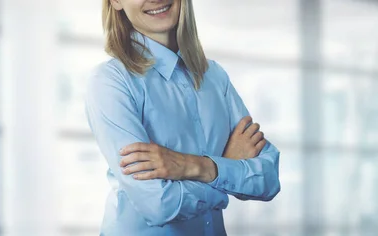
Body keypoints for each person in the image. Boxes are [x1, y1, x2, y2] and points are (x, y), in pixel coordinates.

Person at [85, 0, 281, 235]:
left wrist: (198, 166)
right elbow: (158, 205)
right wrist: (226, 168)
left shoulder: (214, 77)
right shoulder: (111, 82)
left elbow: (268, 178)